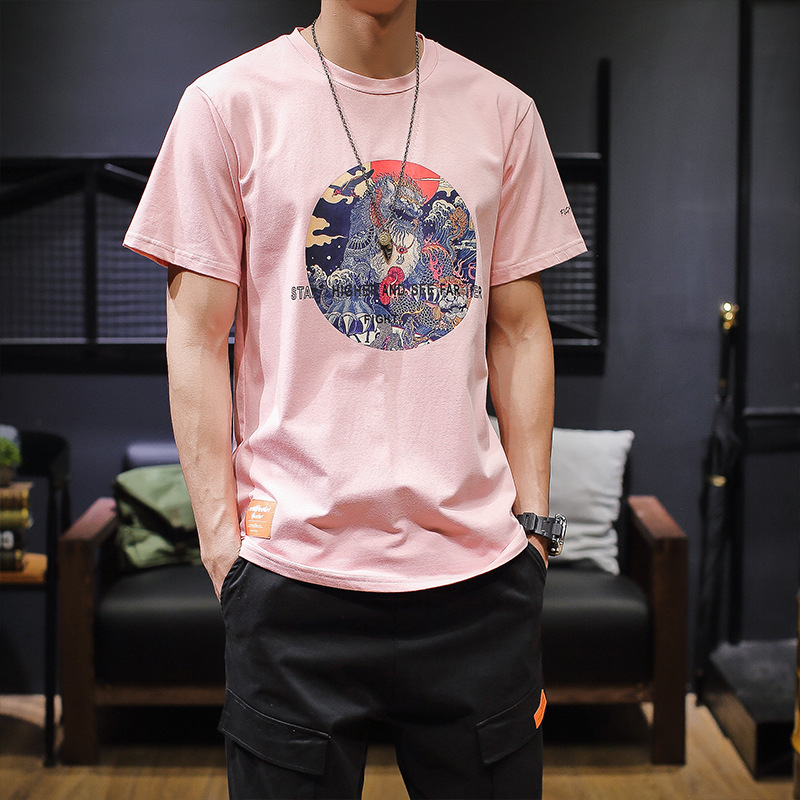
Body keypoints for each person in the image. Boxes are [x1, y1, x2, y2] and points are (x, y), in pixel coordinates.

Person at [124, 0, 586, 796]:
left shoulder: (503, 113)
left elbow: (520, 329)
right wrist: (221, 547)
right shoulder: (226, 106)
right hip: (290, 580)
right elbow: (196, 337)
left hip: (479, 585)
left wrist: (536, 528)